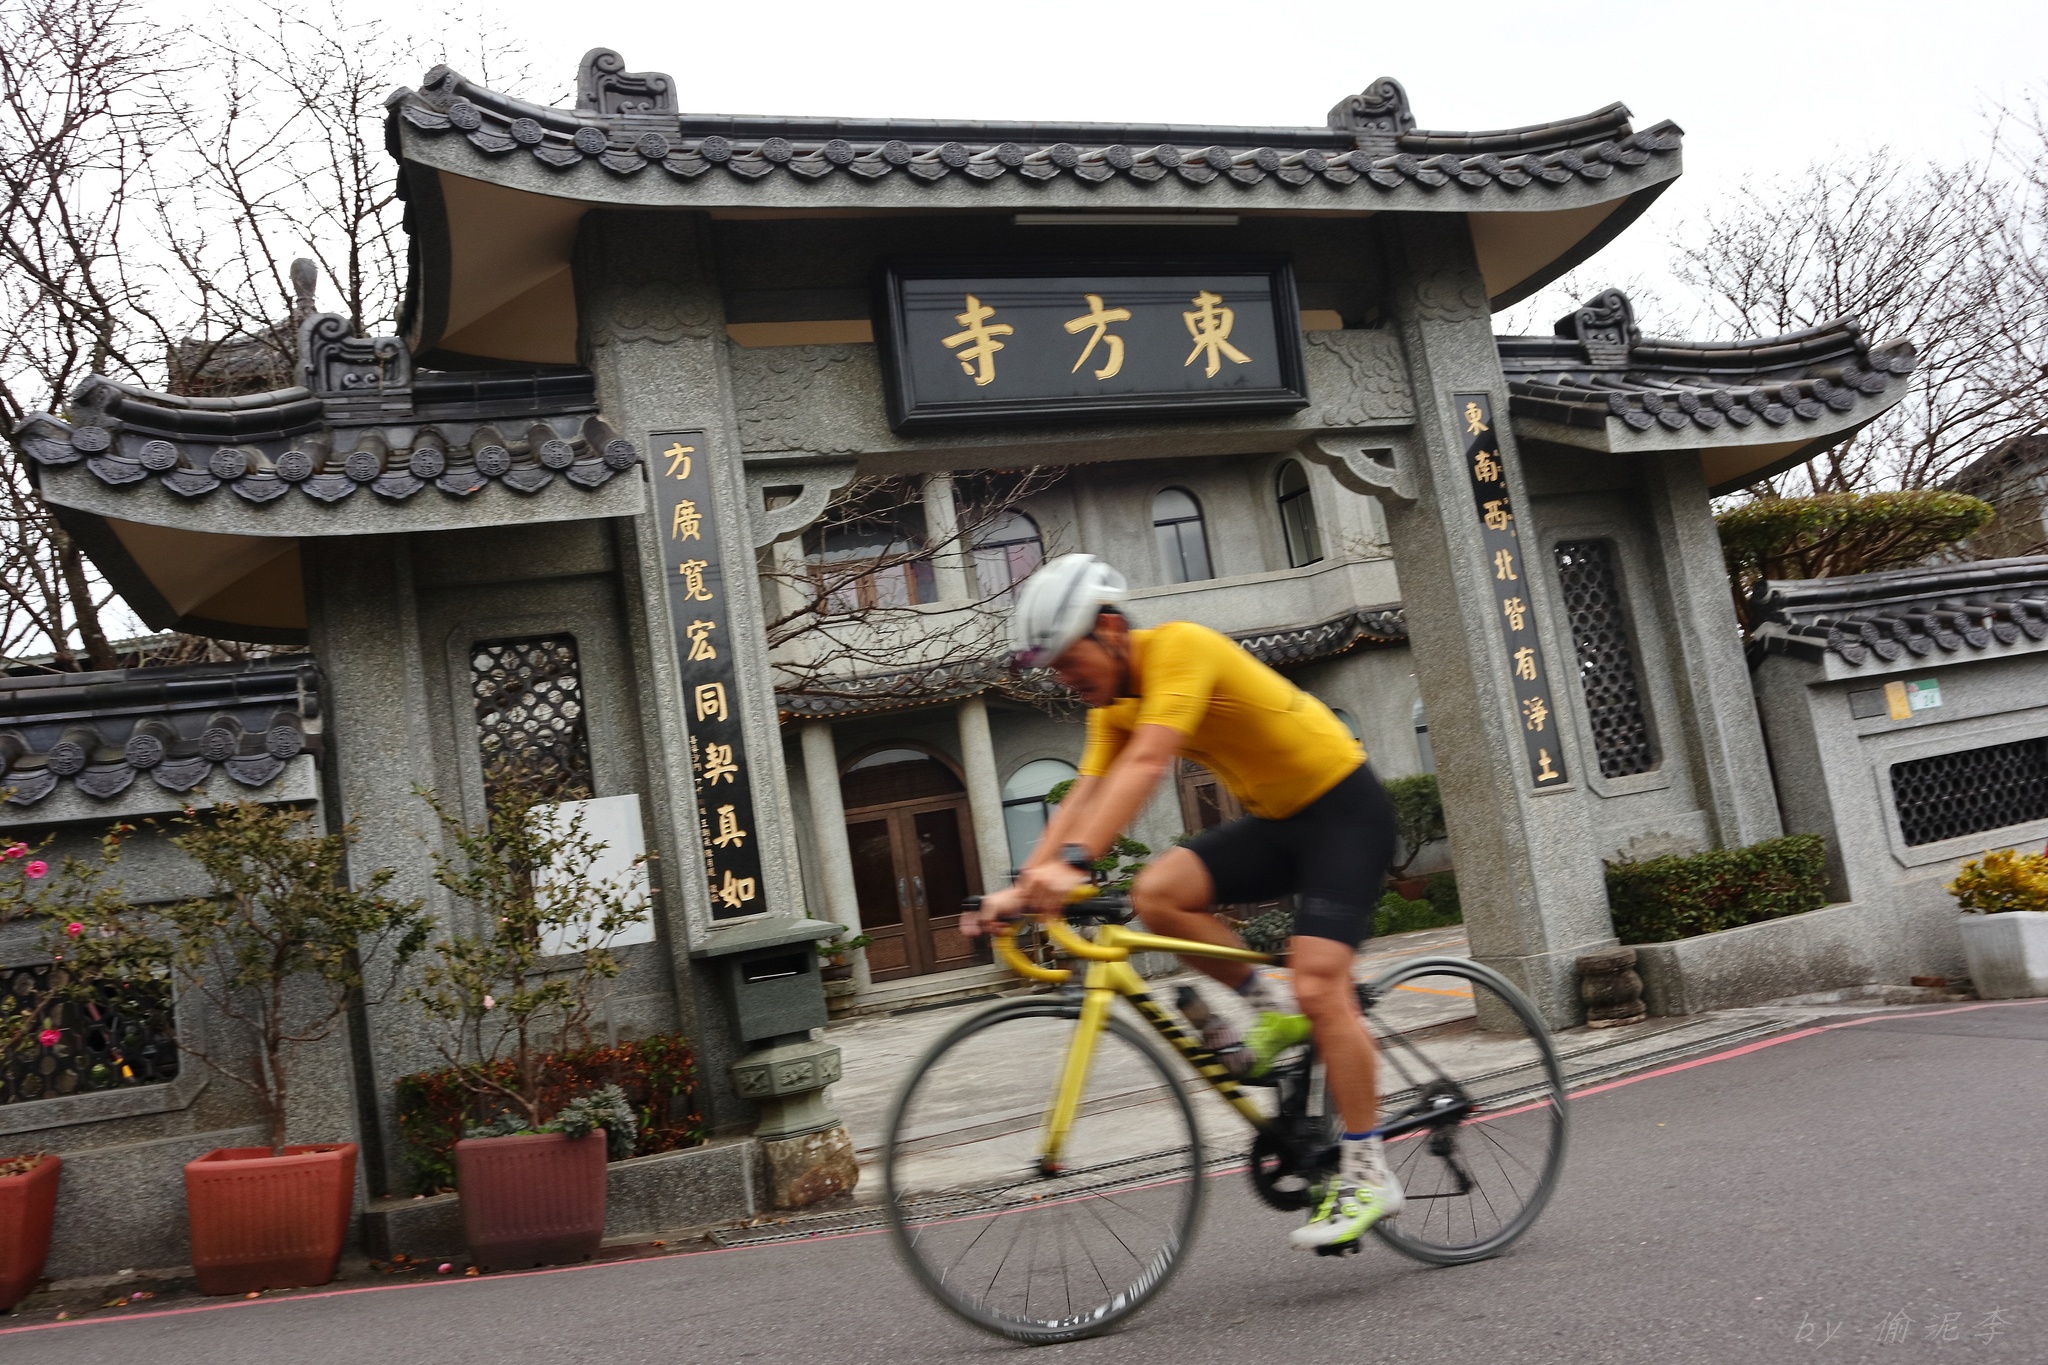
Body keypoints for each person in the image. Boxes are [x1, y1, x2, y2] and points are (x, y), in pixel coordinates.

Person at [963, 553, 1405, 1252]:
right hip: (1277, 823)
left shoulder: (1182, 649)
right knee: (1157, 894)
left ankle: (1369, 1172)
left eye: (1069, 659)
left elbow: (1146, 764)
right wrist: (1023, 885)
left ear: (1111, 629)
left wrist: (1072, 864)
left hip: (1345, 813)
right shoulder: (1114, 705)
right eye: (1053, 669)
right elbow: (1084, 794)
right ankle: (1271, 1006)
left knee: (1322, 984)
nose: (1064, 678)